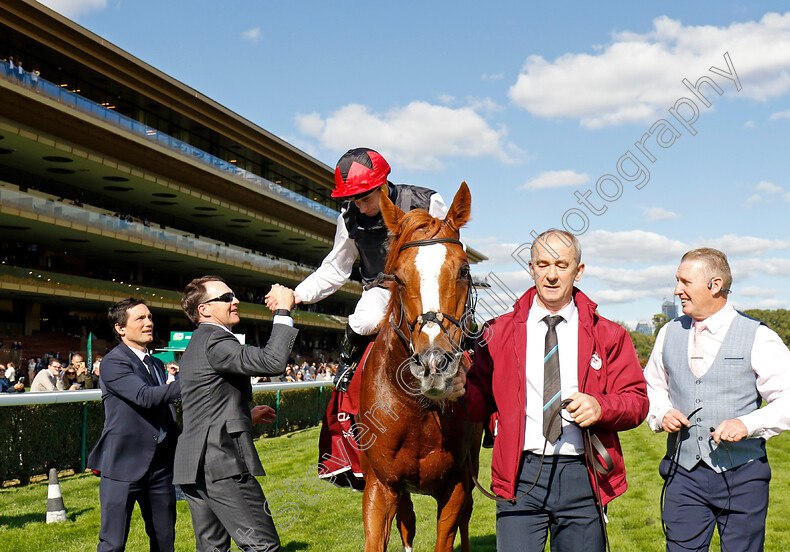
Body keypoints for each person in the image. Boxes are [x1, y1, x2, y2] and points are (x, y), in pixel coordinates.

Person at [456, 229, 648, 552]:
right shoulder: (496, 332)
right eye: (543, 264)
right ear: (531, 268)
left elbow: (638, 402)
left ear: (579, 270)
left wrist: (601, 407)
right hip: (520, 473)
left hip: (583, 475)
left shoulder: (609, 334)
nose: (552, 274)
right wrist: (460, 391)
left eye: (561, 264)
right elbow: (478, 405)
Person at [643, 248, 790, 552]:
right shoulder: (668, 333)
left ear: (714, 285)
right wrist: (661, 412)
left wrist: (748, 423)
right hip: (683, 475)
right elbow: (651, 387)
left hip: (743, 477)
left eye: (685, 282)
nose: (677, 290)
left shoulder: (758, 335)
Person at [273, 147, 448, 392]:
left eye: (366, 198)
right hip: (381, 289)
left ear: (383, 184)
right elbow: (336, 267)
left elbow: (449, 248)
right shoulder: (349, 218)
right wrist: (298, 294)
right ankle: (346, 364)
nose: (361, 207)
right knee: (366, 321)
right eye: (355, 200)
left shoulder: (427, 202)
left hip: (425, 290)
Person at [174, 276, 297, 552]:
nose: (235, 301)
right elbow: (273, 362)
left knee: (212, 548)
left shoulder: (200, 341)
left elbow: (204, 403)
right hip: (222, 462)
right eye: (227, 297)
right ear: (204, 310)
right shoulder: (214, 339)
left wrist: (244, 415)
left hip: (196, 464)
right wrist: (283, 312)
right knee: (263, 546)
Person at [86, 298, 183, 552]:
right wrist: (193, 380)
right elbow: (145, 397)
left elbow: (165, 411)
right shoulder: (113, 362)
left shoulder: (156, 364)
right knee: (113, 544)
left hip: (160, 468)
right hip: (122, 466)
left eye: (150, 317)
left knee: (164, 541)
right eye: (140, 318)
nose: (148, 322)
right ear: (120, 328)